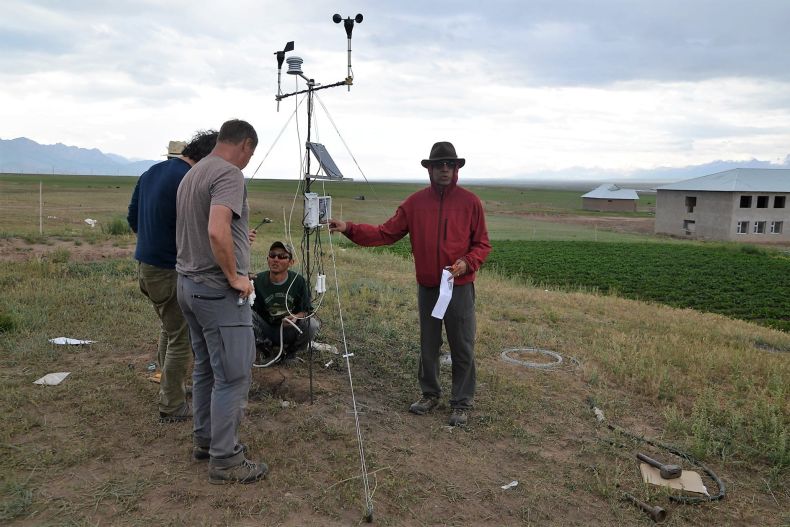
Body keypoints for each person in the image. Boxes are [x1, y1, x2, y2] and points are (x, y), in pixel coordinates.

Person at [329, 141, 491, 427]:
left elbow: (482, 244)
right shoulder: (414, 204)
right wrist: (349, 228)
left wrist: (467, 263)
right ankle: (430, 394)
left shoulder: (471, 203)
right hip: (429, 287)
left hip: (459, 287)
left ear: (456, 169)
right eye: (438, 164)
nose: (444, 169)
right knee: (429, 344)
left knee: (462, 345)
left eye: (449, 164)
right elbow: (385, 233)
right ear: (429, 169)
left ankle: (461, 402)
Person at [175, 119, 267, 484]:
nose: (248, 161)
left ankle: (205, 440)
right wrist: (234, 277)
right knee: (233, 375)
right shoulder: (229, 174)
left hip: (188, 285)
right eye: (250, 153)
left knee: (206, 369)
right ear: (245, 145)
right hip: (216, 291)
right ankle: (225, 459)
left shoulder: (193, 173)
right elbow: (216, 229)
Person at [127, 130, 218, 423]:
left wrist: (153, 239)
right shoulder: (189, 180)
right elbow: (200, 230)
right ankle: (172, 404)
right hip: (169, 270)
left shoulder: (151, 172)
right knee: (182, 338)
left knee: (169, 328)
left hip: (146, 266)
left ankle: (169, 385)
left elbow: (132, 218)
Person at [251, 241, 320, 365]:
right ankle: (266, 350)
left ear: (291, 262)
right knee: (245, 313)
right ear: (268, 259)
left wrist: (294, 317)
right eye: (272, 255)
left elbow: (306, 311)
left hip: (288, 330)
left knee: (312, 324)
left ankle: (290, 353)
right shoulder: (257, 280)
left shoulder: (298, 281)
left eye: (282, 256)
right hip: (265, 328)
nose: (276, 259)